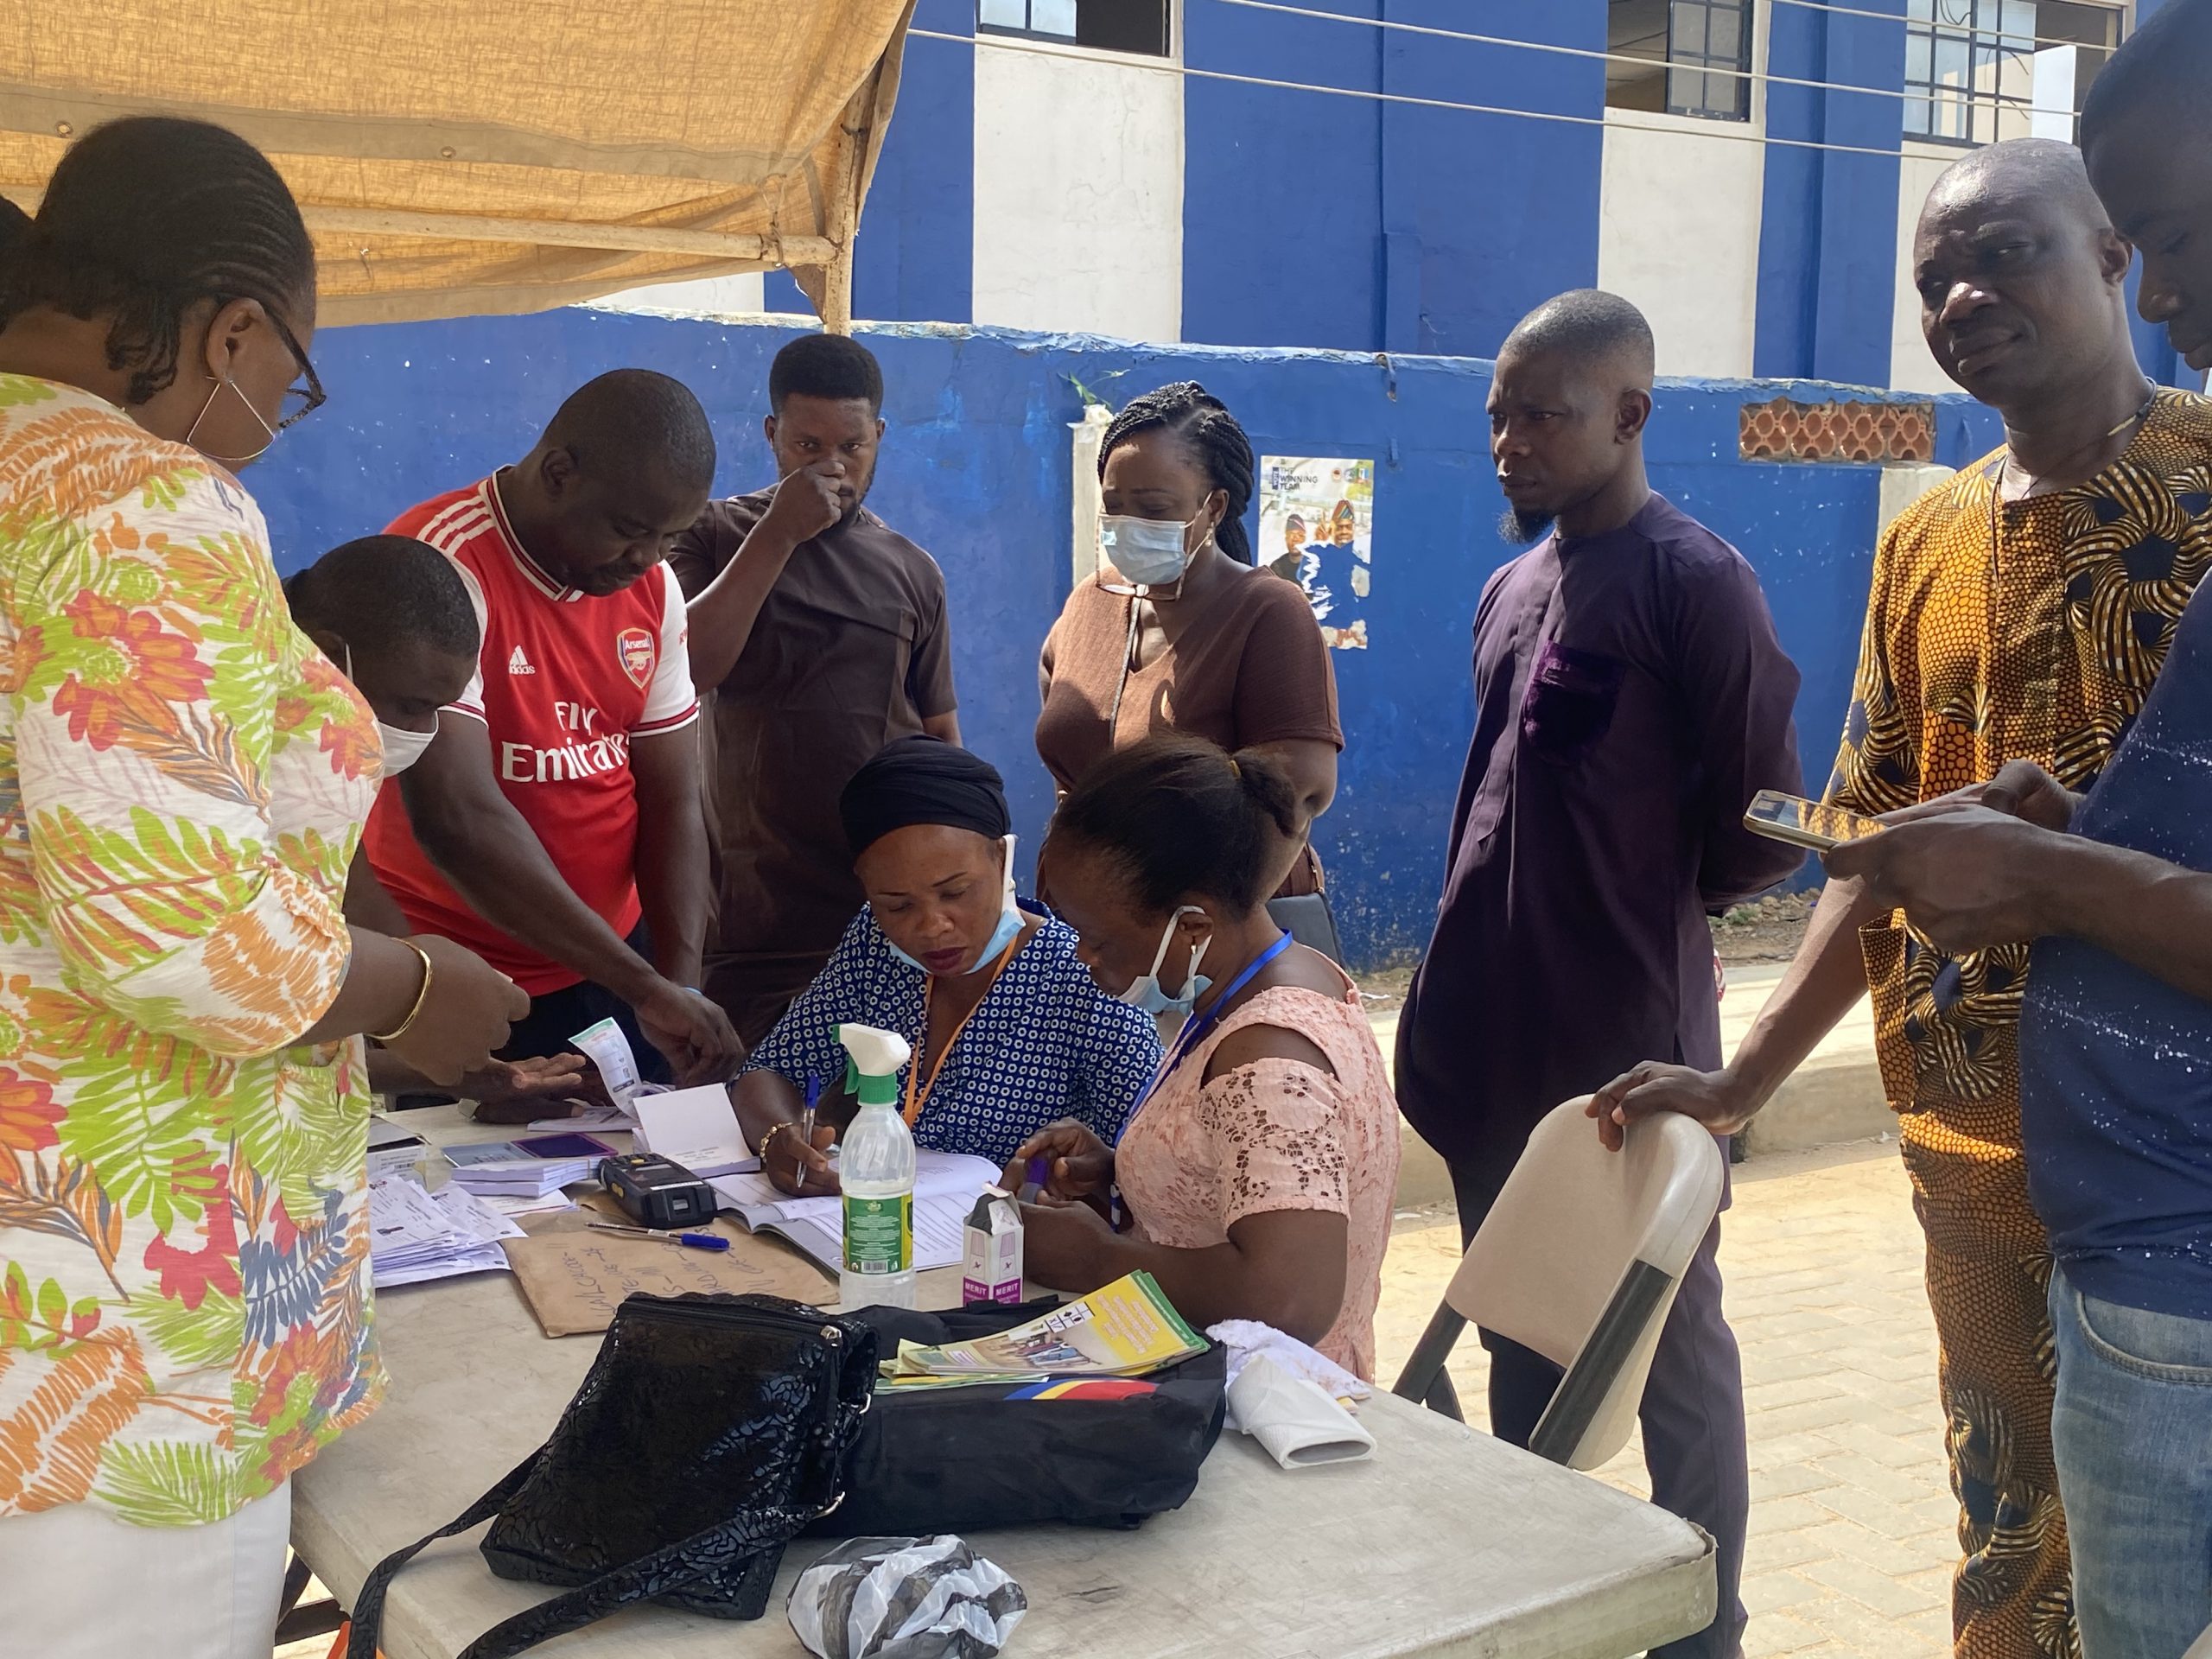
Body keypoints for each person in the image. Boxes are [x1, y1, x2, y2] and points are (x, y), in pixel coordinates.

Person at [1593, 139, 2212, 1659]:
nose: (1965, 294)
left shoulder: (2204, 500)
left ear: (2120, 257)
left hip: (2177, 1180)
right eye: (1936, 276)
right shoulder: (1924, 538)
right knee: (2006, 1531)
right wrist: (1742, 1078)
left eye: (2007, 253)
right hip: (1970, 1157)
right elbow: (1866, 846)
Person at [0, 117, 523, 1659]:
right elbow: (192, 938)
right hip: (123, 1319)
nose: (270, 428)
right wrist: (421, 993)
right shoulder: (136, 500)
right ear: (231, 328)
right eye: (284, 376)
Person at [1395, 289, 1803, 1659]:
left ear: (1631, 415)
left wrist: (1638, 914)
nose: (1510, 440)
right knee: (1523, 1325)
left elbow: (1764, 827)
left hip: (1630, 1043)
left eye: (1544, 414)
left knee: (1668, 1349)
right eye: (1499, 415)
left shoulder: (1698, 583)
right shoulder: (1513, 587)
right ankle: (1556, 1601)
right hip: (1483, 1044)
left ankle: (1703, 1629)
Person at [365, 371, 742, 1086]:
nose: (649, 560)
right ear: (559, 473)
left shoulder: (651, 588)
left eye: (671, 537)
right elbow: (458, 818)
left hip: (608, 969)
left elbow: (670, 800)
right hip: (450, 977)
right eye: (631, 531)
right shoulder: (444, 561)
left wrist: (677, 988)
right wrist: (645, 987)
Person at [1014, 734, 1399, 1379]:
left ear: (1191, 927)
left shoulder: (1270, 1058)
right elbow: (1256, 1171)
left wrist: (1095, 1260)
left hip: (1267, 1398)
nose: (1084, 958)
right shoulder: (1281, 976)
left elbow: (1289, 1298)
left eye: (1098, 939)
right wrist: (1132, 1172)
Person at [671, 334, 959, 1047]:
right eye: (807, 446)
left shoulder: (912, 569)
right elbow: (684, 670)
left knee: (876, 1118)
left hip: (882, 913)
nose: (833, 467)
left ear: (880, 436)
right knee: (748, 1116)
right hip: (755, 915)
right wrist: (777, 534)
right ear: (772, 434)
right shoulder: (712, 536)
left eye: (853, 447)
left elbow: (939, 736)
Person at [736, 736, 1158, 1185]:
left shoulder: (1086, 974)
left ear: (1000, 857)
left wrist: (1091, 1176)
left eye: (955, 892)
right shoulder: (874, 945)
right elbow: (770, 1070)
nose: (932, 926)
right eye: (897, 905)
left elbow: (1150, 1162)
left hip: (1011, 1243)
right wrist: (777, 1139)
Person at [286, 536, 601, 1123]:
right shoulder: (213, 759)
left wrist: (457, 1062)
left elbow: (352, 898)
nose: (422, 731)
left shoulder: (323, 743)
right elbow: (231, 988)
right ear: (327, 657)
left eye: (441, 708)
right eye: (411, 705)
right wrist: (415, 998)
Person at [1037, 383, 1342, 902]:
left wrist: (1211, 925)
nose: (1129, 526)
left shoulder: (1267, 613)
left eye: (1154, 509)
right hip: (1087, 919)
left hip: (1207, 925)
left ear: (1214, 507)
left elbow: (1298, 793)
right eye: (1115, 506)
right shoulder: (1090, 603)